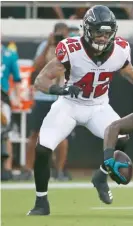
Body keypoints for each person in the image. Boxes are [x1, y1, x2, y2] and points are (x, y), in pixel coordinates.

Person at [27, 5, 133, 216]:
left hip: (99, 106)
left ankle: (101, 176)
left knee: (121, 138)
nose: (103, 37)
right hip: (69, 104)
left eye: (107, 32)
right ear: (86, 29)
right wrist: (62, 88)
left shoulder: (120, 50)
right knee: (43, 148)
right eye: (98, 32)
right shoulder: (71, 48)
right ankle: (41, 201)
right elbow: (40, 81)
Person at [23, 22, 70, 181]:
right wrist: (48, 45)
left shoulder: (71, 48)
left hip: (60, 96)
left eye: (63, 35)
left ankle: (60, 171)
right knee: (35, 134)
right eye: (58, 34)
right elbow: (36, 67)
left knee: (62, 135)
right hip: (43, 95)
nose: (60, 37)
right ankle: (28, 169)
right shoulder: (45, 45)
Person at [1, 42, 22, 180]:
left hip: (2, 96)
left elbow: (17, 79)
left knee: (5, 132)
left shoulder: (9, 55)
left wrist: (18, 98)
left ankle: (7, 169)